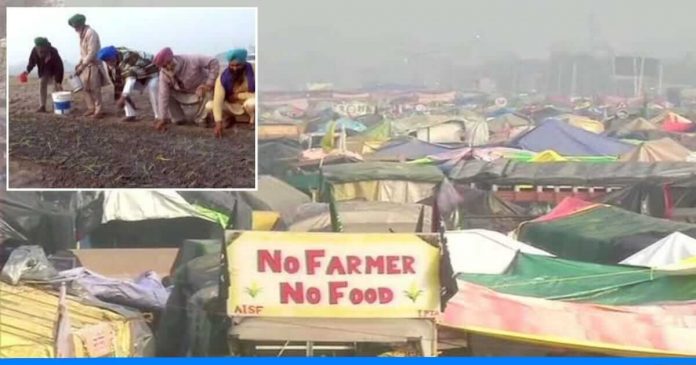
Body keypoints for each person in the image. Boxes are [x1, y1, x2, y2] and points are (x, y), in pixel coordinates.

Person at [152, 47, 220, 132]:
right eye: (164, 66)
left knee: (210, 91)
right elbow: (163, 96)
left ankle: (200, 118)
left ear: (173, 58)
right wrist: (162, 118)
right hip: (182, 93)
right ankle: (178, 118)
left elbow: (214, 62)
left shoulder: (192, 60)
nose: (168, 67)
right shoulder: (164, 74)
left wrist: (208, 84)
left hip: (199, 92)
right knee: (165, 92)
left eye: (169, 62)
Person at [97, 45, 160, 122]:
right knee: (121, 87)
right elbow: (118, 80)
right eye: (106, 61)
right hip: (137, 72)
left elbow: (130, 80)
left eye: (109, 60)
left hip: (151, 70)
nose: (108, 63)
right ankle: (130, 115)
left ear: (114, 56)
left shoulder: (128, 59)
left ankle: (159, 117)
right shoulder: (114, 56)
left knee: (153, 87)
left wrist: (122, 98)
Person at [207, 48, 256, 138]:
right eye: (231, 65)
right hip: (232, 106)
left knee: (252, 103)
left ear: (244, 62)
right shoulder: (223, 77)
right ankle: (228, 118)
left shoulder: (254, 70)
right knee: (210, 105)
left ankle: (252, 120)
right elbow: (218, 101)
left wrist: (238, 96)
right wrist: (218, 122)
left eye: (238, 65)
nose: (234, 68)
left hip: (248, 106)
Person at [68, 13, 109, 119]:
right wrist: (79, 63)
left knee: (95, 88)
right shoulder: (81, 34)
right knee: (85, 88)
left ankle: (99, 110)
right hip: (86, 64)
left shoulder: (91, 33)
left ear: (81, 24)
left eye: (76, 26)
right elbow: (83, 52)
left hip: (94, 64)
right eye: (74, 27)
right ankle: (91, 108)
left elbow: (92, 52)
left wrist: (83, 65)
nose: (75, 29)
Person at [21, 37, 64, 113]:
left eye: (42, 49)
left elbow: (59, 67)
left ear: (46, 47)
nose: (40, 51)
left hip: (54, 71)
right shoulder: (34, 51)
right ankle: (42, 106)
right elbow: (32, 62)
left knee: (56, 87)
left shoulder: (53, 51)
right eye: (38, 49)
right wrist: (27, 71)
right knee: (42, 84)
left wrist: (58, 81)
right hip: (43, 71)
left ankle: (56, 105)